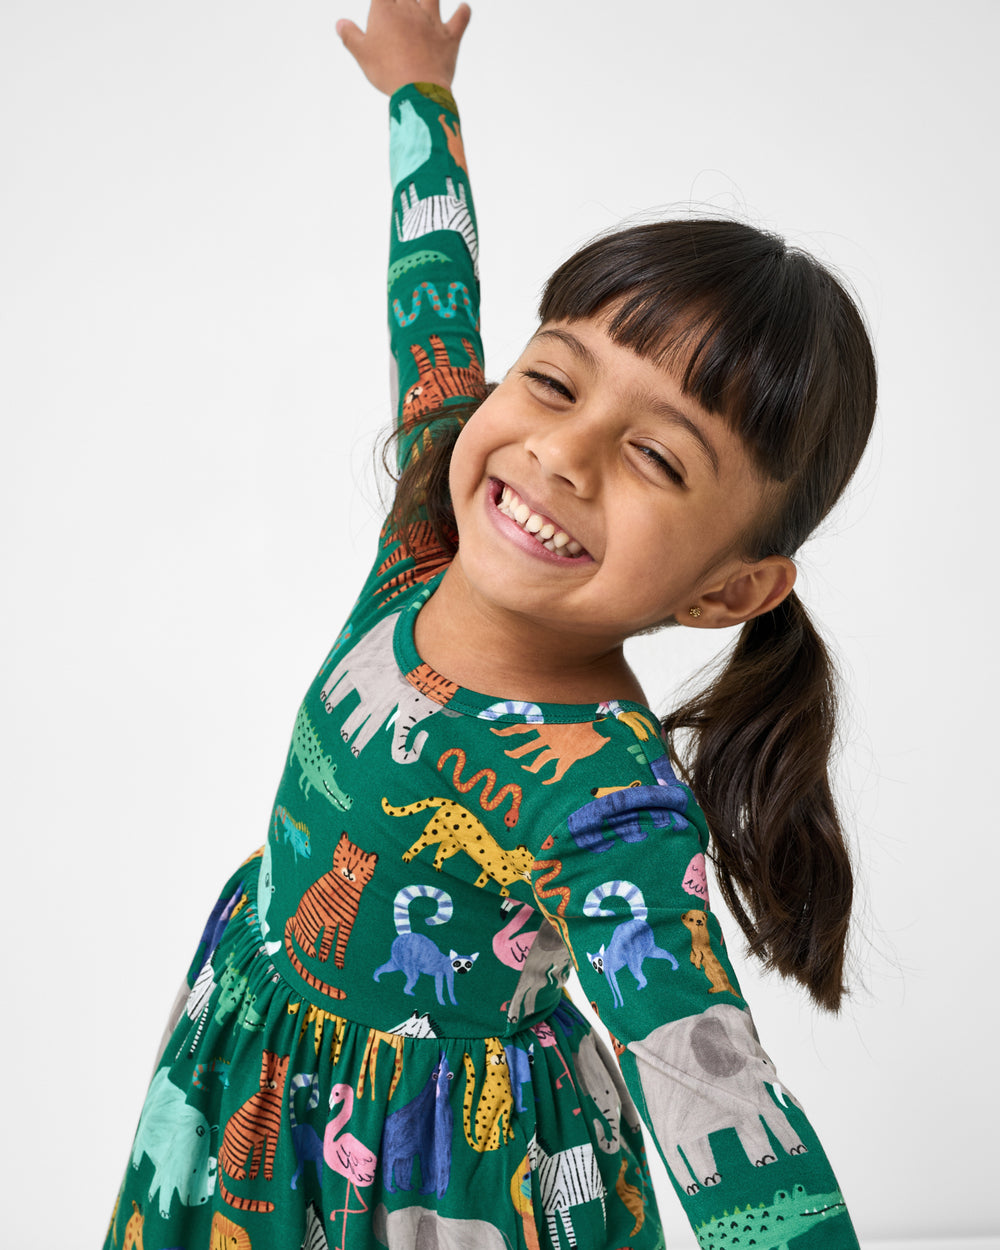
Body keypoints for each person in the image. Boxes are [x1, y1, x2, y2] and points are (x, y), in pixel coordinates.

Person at [103, 3, 877, 1248]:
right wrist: (423, 98)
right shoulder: (425, 531)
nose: (558, 457)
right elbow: (431, 296)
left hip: (440, 1172)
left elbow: (717, 1100)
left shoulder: (608, 802)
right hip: (247, 1060)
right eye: (554, 381)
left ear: (728, 591)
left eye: (655, 459)